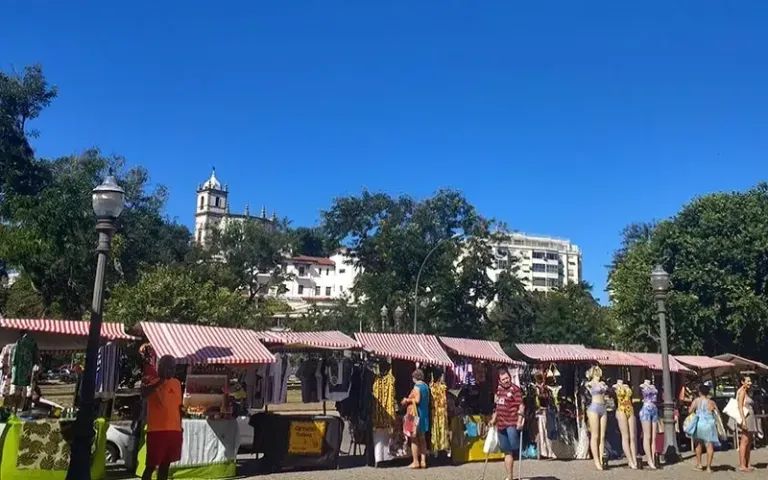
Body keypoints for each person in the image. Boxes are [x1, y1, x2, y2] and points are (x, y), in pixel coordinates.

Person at [142, 355, 183, 480]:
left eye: (173, 368)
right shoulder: (150, 380)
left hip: (174, 430)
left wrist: (180, 426)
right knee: (151, 466)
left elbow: (178, 406)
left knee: (165, 466)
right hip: (156, 431)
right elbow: (144, 394)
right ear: (160, 367)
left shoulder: (176, 383)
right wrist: (160, 381)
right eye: (169, 367)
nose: (172, 370)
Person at [490, 369, 524, 480]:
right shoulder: (498, 390)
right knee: (506, 451)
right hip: (500, 424)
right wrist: (493, 419)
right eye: (503, 379)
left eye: (507, 378)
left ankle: (517, 457)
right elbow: (497, 407)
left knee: (514, 446)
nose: (506, 381)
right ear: (500, 380)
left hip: (511, 422)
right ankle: (509, 476)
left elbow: (521, 406)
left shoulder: (515, 389)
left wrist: (520, 420)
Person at [401, 368, 430, 469]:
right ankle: (423, 461)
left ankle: (415, 461)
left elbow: (417, 400)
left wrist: (407, 400)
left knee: (413, 439)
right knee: (422, 439)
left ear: (414, 377)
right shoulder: (426, 386)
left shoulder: (417, 386)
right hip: (424, 414)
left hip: (415, 415)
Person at [690, 384, 719, 472]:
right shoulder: (711, 402)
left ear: (699, 392)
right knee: (709, 446)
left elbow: (690, 411)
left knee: (698, 445)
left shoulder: (696, 401)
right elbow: (717, 412)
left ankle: (699, 464)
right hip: (709, 424)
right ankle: (709, 467)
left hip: (699, 424)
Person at [737, 375, 757, 472]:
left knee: (749, 442)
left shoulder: (746, 391)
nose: (750, 383)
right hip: (746, 418)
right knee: (744, 441)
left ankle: (747, 463)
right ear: (742, 382)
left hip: (750, 418)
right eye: (748, 381)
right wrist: (743, 420)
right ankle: (742, 465)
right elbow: (740, 407)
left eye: (750, 381)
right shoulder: (742, 392)